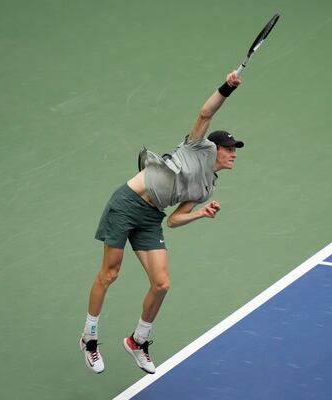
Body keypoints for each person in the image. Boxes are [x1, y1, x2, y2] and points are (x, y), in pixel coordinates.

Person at [79, 71, 244, 374]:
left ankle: (138, 341)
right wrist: (227, 87)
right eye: (230, 149)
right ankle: (89, 337)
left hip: (151, 217)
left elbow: (174, 219)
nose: (234, 154)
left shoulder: (208, 188)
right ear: (215, 148)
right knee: (110, 272)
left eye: (235, 150)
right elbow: (206, 112)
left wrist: (200, 214)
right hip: (127, 202)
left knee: (162, 283)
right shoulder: (197, 146)